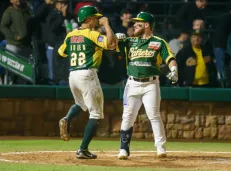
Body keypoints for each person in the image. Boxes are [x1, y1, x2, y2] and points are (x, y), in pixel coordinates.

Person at [115, 12, 178, 159]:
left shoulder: (158, 42)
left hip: (151, 84)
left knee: (154, 115)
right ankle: (123, 149)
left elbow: (170, 58)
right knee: (127, 116)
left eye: (138, 23)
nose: (134, 25)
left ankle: (160, 147)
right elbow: (110, 44)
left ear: (147, 25)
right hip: (132, 83)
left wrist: (174, 69)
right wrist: (115, 37)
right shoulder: (130, 41)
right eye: (135, 23)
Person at [58, 5, 115, 159]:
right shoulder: (92, 34)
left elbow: (61, 52)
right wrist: (107, 26)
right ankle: (83, 149)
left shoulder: (71, 35)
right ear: (89, 20)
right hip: (87, 73)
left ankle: (67, 118)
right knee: (96, 113)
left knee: (81, 104)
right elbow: (110, 44)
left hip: (73, 75)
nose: (97, 20)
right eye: (95, 18)